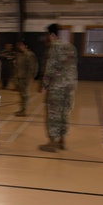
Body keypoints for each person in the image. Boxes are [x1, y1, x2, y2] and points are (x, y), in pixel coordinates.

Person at [39, 23, 78, 153]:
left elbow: (50, 68)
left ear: (51, 34)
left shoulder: (54, 47)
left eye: (48, 35)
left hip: (58, 86)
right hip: (70, 86)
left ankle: (52, 142)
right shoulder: (71, 46)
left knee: (54, 113)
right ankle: (63, 141)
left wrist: (44, 85)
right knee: (65, 113)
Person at [14, 40, 37, 117]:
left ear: (26, 46)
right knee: (21, 95)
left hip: (25, 78)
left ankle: (24, 110)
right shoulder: (20, 55)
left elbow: (32, 67)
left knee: (25, 95)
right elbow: (18, 66)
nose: (21, 47)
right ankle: (22, 109)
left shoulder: (29, 55)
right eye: (20, 45)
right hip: (20, 77)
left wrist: (30, 77)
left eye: (22, 45)